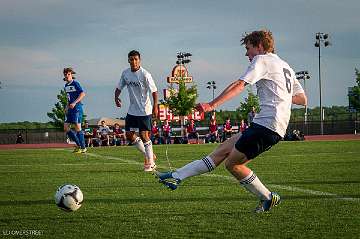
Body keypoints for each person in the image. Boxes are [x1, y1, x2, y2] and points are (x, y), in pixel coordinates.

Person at [156, 30, 307, 213]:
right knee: (222, 150)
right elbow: (302, 99)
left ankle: (267, 197)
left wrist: (212, 105)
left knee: (232, 164)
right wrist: (282, 94)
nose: (247, 54)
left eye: (248, 48)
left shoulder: (263, 60)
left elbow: (239, 85)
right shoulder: (286, 66)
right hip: (266, 124)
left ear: (259, 46)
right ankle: (176, 176)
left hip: (268, 125)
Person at [114, 50, 158, 172]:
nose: (134, 61)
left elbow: (154, 91)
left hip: (145, 110)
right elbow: (119, 87)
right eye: (131, 59)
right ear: (128, 60)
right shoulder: (125, 73)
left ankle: (151, 163)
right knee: (129, 135)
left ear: (140, 60)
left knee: (144, 136)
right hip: (132, 110)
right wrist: (116, 97)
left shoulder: (145, 74)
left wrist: (155, 107)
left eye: (136, 59)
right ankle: (149, 155)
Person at [63, 67, 87, 153]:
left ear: (71, 75)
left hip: (77, 108)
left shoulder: (76, 83)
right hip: (70, 109)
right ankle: (78, 145)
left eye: (68, 74)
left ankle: (83, 147)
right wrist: (67, 106)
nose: (67, 76)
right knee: (66, 127)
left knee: (77, 127)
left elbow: (83, 94)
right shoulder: (66, 86)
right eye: (65, 74)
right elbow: (68, 98)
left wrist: (74, 103)